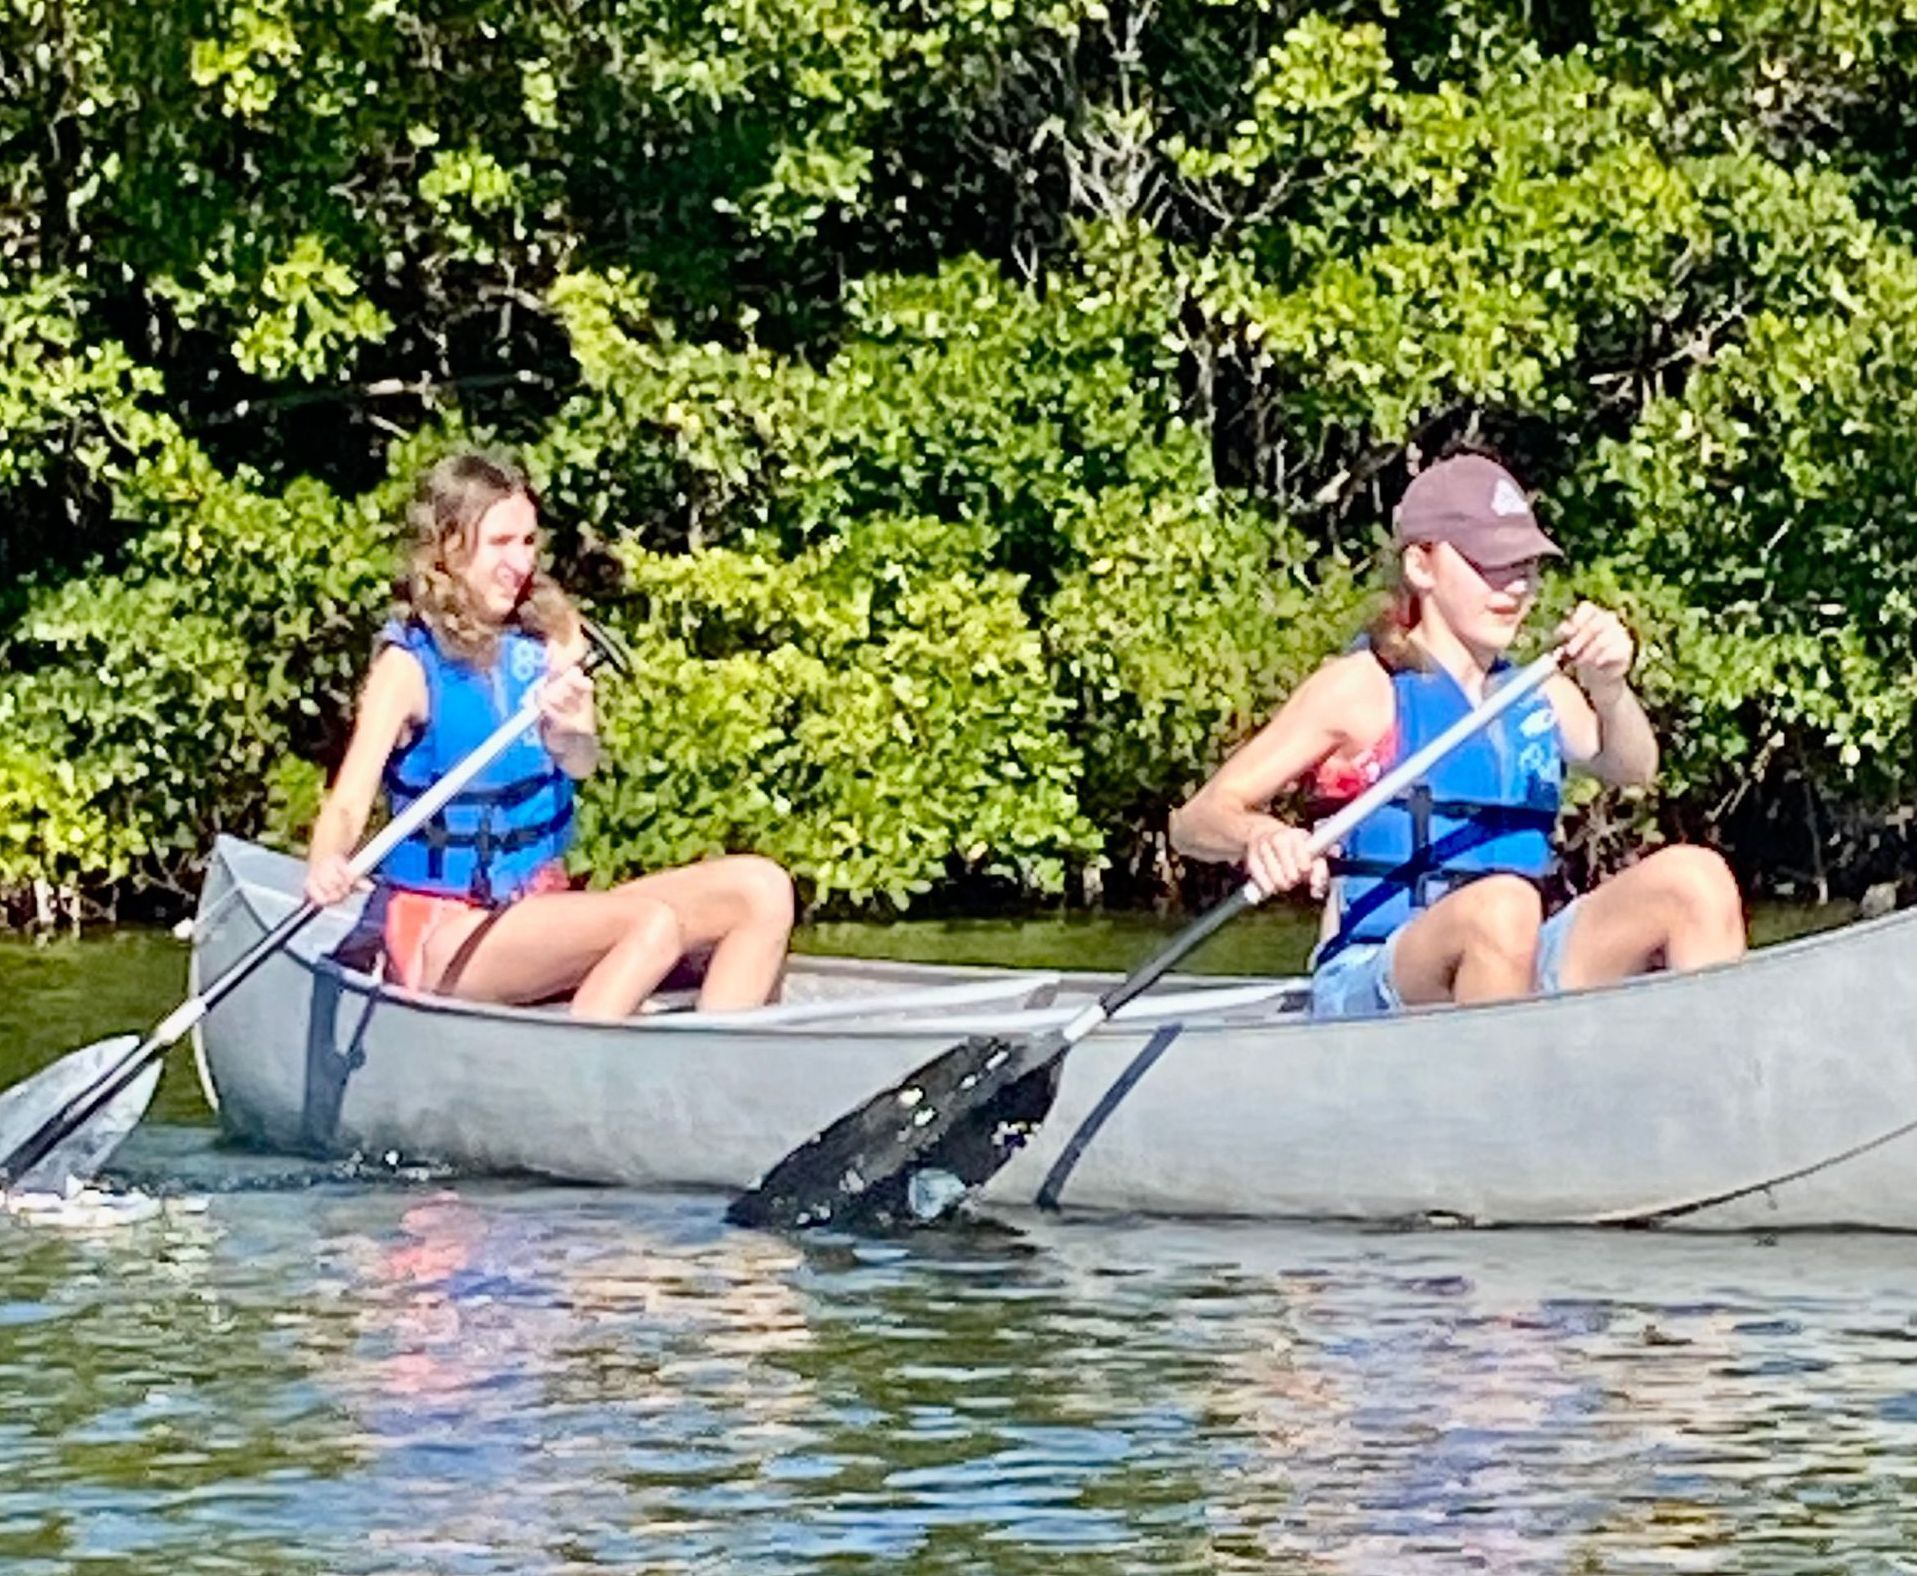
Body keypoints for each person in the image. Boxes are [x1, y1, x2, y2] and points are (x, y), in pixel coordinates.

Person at [1170, 452, 1746, 1018]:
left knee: (1696, 879)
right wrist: (1260, 835)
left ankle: (1724, 1090)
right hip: (1378, 974)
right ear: (1422, 567)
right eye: (1488, 564)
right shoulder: (1362, 688)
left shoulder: (1536, 692)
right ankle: (1496, 1095)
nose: (1515, 587)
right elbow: (1194, 820)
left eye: (1523, 565)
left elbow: (1633, 767)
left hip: (1514, 960)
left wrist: (1611, 689)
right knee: (1501, 908)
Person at [304, 451, 793, 1017]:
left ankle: (716, 1073)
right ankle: (584, 1077)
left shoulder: (551, 638)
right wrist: (325, 862)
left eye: (529, 542)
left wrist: (567, 730)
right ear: (449, 548)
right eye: (501, 543)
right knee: (651, 926)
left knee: (761, 890)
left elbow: (580, 762)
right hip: (447, 930)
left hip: (539, 906)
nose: (520, 563)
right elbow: (346, 804)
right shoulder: (408, 667)